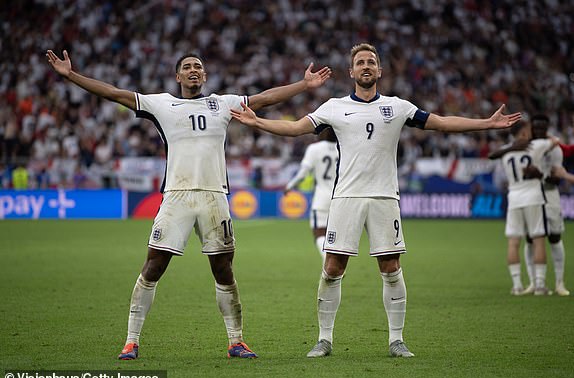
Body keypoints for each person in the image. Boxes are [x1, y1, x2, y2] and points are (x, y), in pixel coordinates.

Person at [231, 43, 522, 358]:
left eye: (371, 62)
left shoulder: (398, 107)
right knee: (331, 267)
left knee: (391, 267)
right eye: (360, 62)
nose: (366, 66)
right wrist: (258, 122)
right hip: (345, 198)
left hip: (385, 198)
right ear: (352, 72)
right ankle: (324, 339)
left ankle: (396, 340)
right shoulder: (334, 106)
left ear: (380, 71)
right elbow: (295, 128)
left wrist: (486, 124)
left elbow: (441, 122)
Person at [46, 49, 331, 360]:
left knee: (224, 270)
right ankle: (131, 341)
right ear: (178, 76)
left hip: (214, 197)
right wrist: (71, 76)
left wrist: (303, 85)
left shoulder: (223, 104)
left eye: (198, 66)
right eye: (187, 67)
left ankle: (236, 341)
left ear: (205, 76)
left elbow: (263, 99)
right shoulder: (161, 104)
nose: (194, 70)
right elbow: (114, 93)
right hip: (177, 197)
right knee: (153, 266)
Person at [490, 114, 569, 296]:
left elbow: (492, 155)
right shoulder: (536, 146)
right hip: (534, 196)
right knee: (536, 239)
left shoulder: (507, 150)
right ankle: (538, 284)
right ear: (527, 131)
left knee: (523, 240)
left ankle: (524, 284)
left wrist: (511, 146)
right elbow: (556, 141)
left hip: (520, 197)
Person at [284, 126, 338, 263]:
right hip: (340, 197)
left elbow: (303, 173)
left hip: (322, 197)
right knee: (336, 236)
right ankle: (336, 266)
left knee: (319, 233)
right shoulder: (344, 148)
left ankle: (328, 262)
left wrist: (290, 186)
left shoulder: (315, 149)